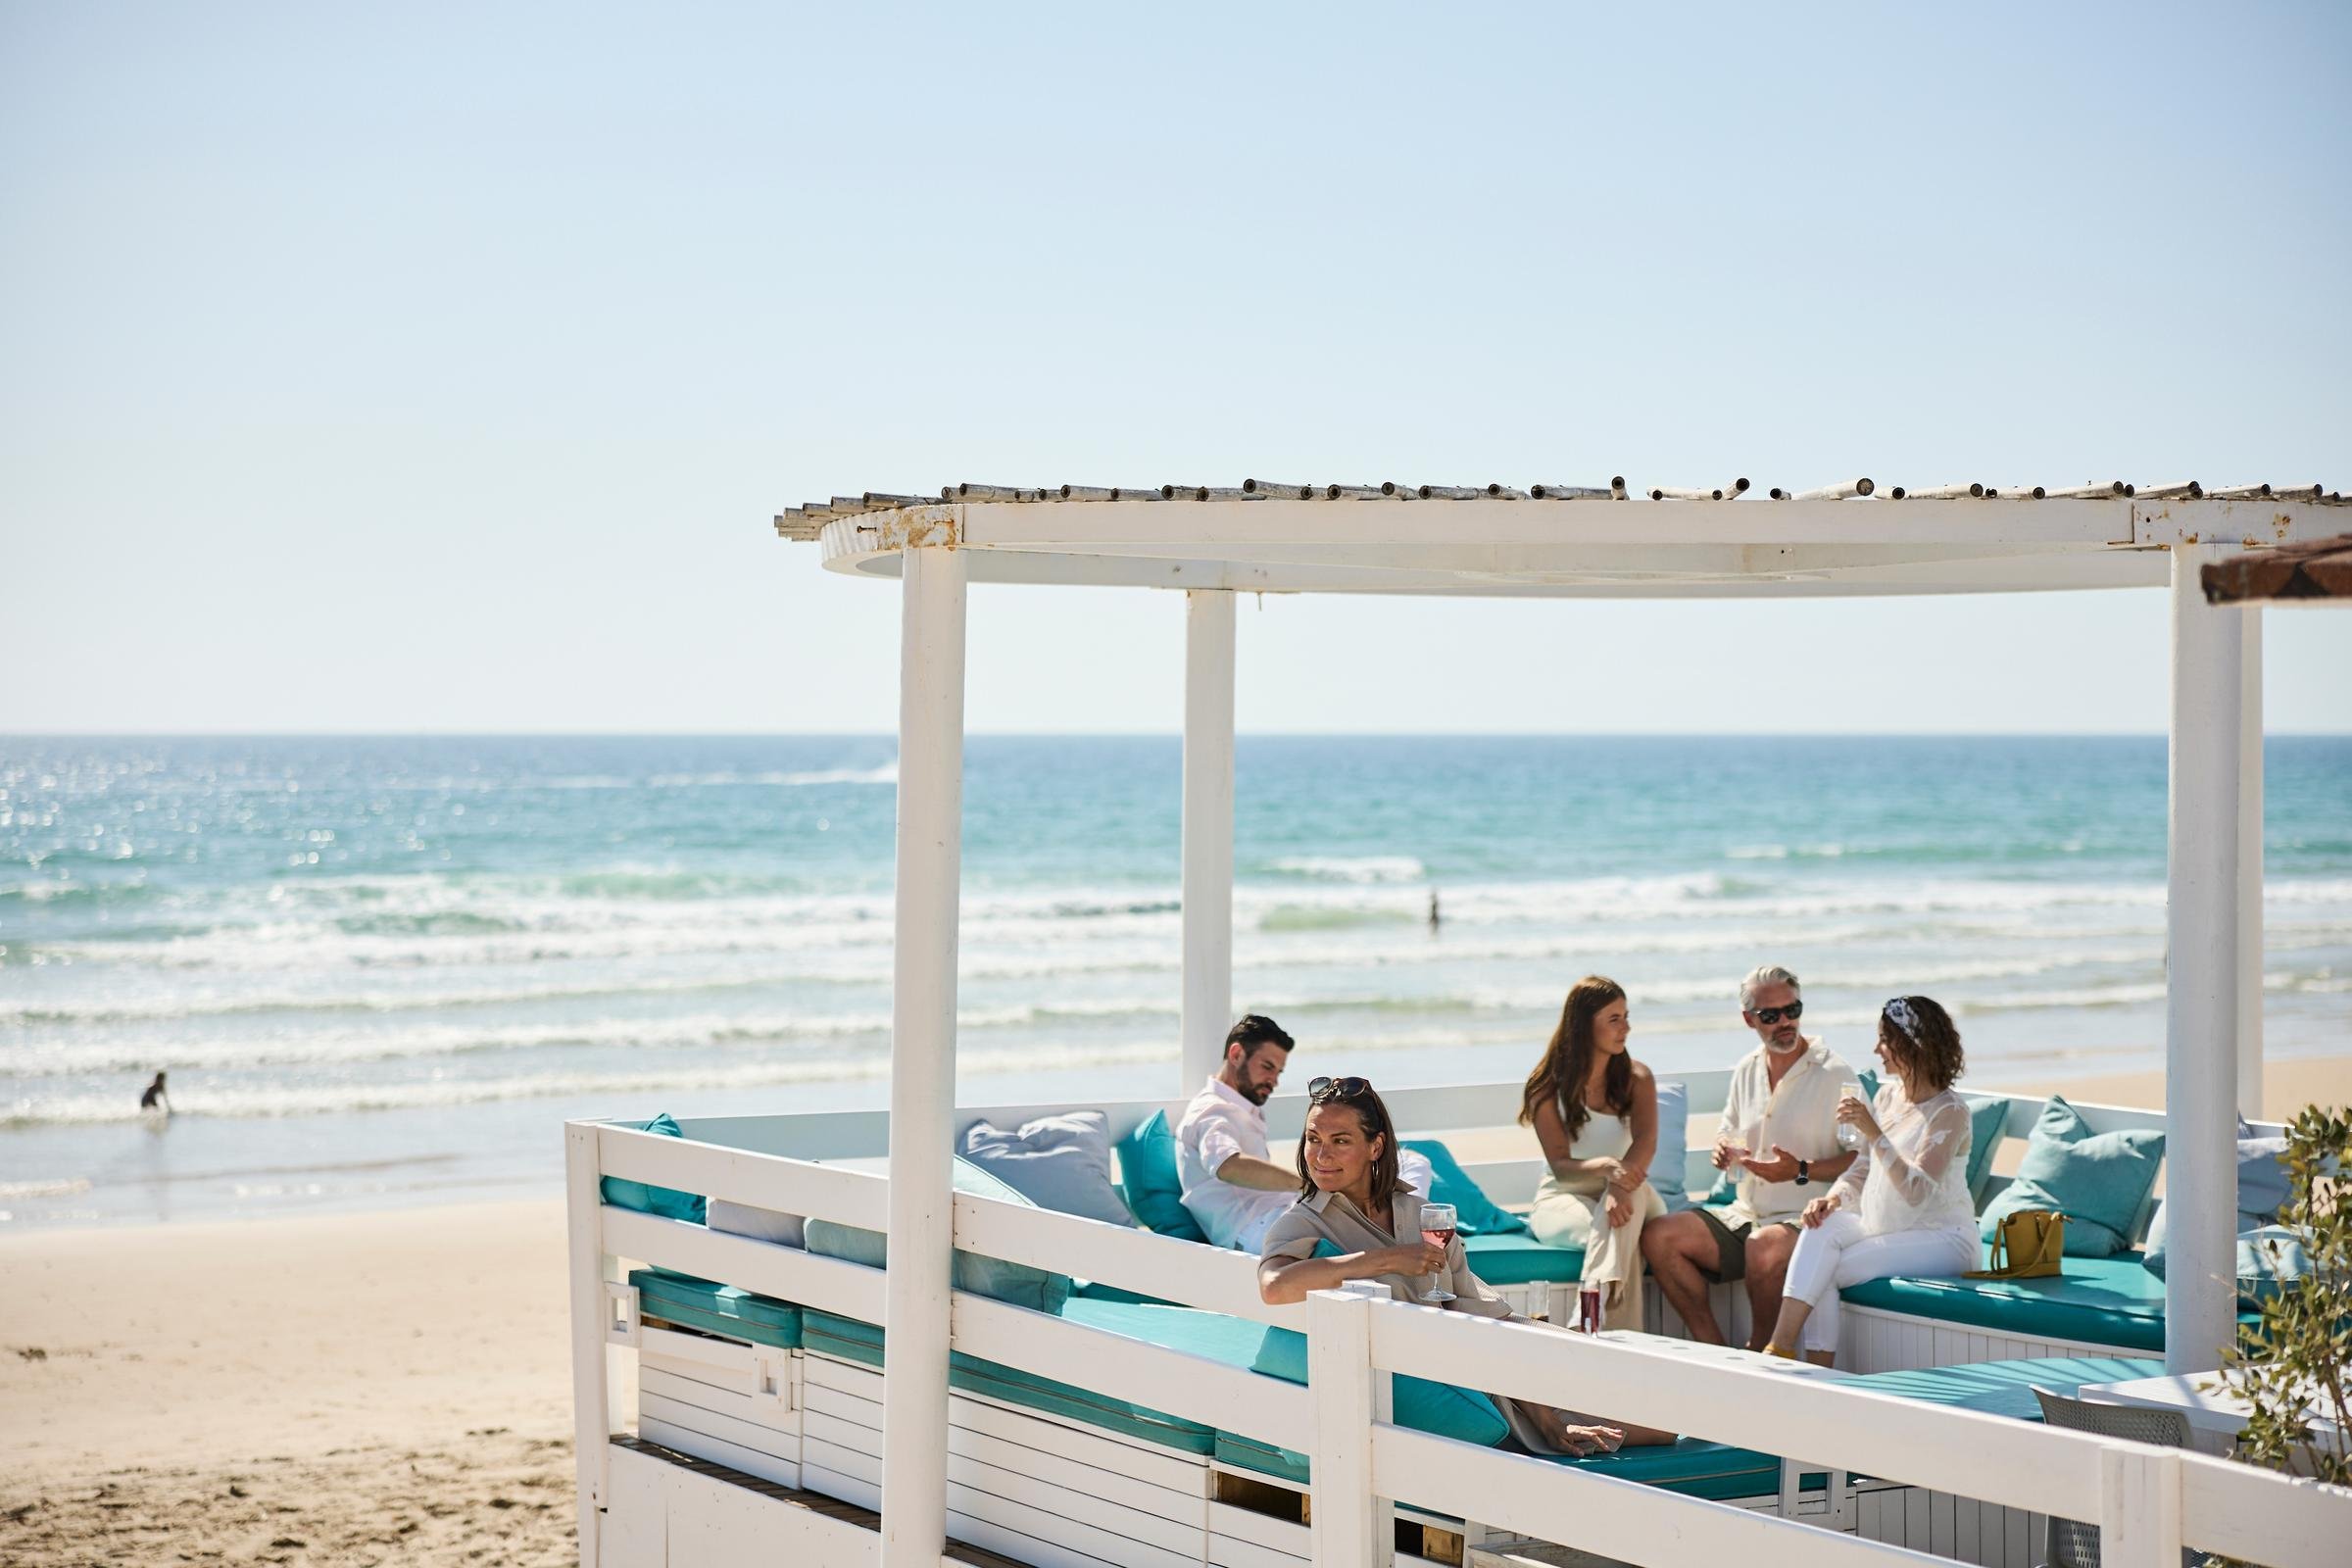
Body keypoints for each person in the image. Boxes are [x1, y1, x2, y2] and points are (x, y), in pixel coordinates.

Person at [1256, 1075, 1671, 1456]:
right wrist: (1383, 1260)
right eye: (1313, 1139)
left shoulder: (1421, 1213)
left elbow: (1475, 1315)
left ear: (1376, 1147)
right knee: (1656, 1426)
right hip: (1465, 1383)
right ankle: (1550, 1417)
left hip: (1501, 1354)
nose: (1321, 1155)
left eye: (1340, 1140)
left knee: (1655, 1407)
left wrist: (1542, 1407)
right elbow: (1273, 1286)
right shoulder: (1305, 1220)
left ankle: (1555, 1401)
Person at [1638, 964, 1859, 1348]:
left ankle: (1762, 1355)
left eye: (1793, 1010)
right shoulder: (1746, 1069)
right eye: (1771, 1016)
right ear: (1748, 1019)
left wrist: (1801, 1171)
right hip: (1744, 1214)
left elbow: (1863, 1158)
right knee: (1659, 1236)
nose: (1786, 1022)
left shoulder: (1835, 1073)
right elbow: (1729, 1130)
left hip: (1807, 1219)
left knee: (1763, 1246)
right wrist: (1723, 1150)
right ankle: (1716, 1349)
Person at [1763, 997, 1978, 1365]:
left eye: (1884, 1039)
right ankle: (1779, 1346)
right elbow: (1862, 1167)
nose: (1876, 1049)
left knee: (1828, 1268)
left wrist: (1873, 1131)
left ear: (1912, 1043)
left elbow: (1916, 1192)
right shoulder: (1889, 1094)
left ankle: (1815, 1371)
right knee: (1821, 1227)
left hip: (1944, 1237)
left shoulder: (1950, 1112)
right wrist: (1831, 1199)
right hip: (1888, 1226)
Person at [1522, 977, 1662, 1331]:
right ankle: (1619, 1337)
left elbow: (1646, 1141)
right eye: (1614, 1019)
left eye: (1626, 1016)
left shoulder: (1637, 1077)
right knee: (1617, 1229)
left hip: (1630, 1189)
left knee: (1624, 1210)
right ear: (1584, 1025)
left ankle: (1586, 1320)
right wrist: (1606, 1168)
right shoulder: (1545, 1087)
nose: (1626, 1028)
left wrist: (1618, 1186)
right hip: (1563, 1196)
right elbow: (1562, 1169)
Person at [1176, 1015, 1302, 1250]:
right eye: (1267, 1067)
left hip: (1276, 1219)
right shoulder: (1212, 1110)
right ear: (1236, 1055)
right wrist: (1307, 1184)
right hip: (1255, 1230)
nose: (1274, 1081)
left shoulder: (1237, 1107)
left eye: (1278, 1072)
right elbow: (1227, 1165)